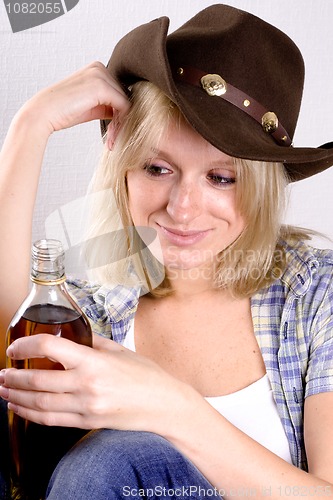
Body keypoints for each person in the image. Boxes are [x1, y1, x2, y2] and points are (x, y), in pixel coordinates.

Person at [0, 3, 333, 498]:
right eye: (157, 168)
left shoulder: (313, 292)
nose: (181, 207)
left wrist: (172, 408)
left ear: (261, 189)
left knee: (109, 463)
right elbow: (12, 341)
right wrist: (31, 126)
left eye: (221, 178)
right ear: (125, 169)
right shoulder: (97, 305)